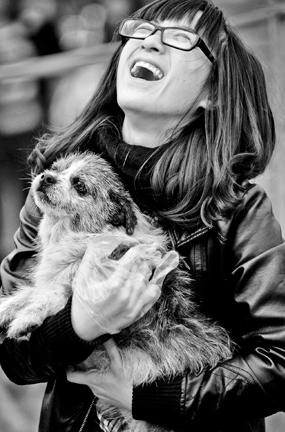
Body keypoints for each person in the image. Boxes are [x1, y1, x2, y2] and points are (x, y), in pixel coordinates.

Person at [1, 1, 285, 431]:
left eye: (179, 38)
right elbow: (15, 359)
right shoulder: (55, 184)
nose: (151, 39)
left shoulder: (240, 210)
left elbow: (277, 364)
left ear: (213, 92)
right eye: (142, 30)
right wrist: (81, 324)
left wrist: (150, 398)